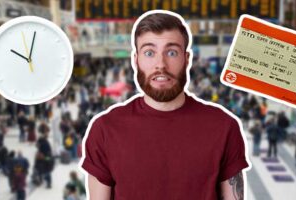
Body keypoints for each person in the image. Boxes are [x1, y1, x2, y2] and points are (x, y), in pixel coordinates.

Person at [81, 11, 250, 200]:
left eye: (171, 52)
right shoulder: (105, 129)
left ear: (187, 59)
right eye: (149, 52)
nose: (160, 64)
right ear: (136, 60)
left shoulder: (224, 127)